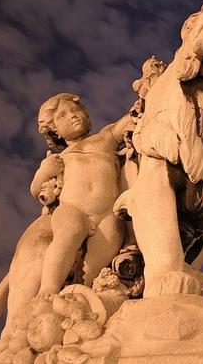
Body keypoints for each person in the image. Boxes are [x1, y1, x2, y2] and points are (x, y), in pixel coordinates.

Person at [31, 93, 131, 295]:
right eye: (62, 115)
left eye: (76, 110)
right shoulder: (60, 158)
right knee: (70, 232)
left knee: (109, 242)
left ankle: (81, 290)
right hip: (73, 210)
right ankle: (48, 288)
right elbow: (35, 189)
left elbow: (128, 120)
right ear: (54, 130)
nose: (73, 116)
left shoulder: (106, 137)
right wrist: (44, 172)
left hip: (107, 213)